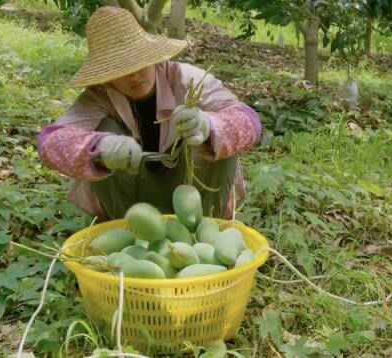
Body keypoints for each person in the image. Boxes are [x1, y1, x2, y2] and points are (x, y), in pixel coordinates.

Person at [37, 6, 261, 221]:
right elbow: (50, 142)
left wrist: (209, 126)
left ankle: (202, 227)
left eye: (139, 62)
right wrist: (100, 150)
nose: (134, 76)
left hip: (192, 190)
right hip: (131, 199)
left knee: (218, 137)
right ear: (106, 77)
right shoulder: (100, 97)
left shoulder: (188, 80)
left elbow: (249, 121)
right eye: (120, 69)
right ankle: (127, 231)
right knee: (103, 129)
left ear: (153, 57)